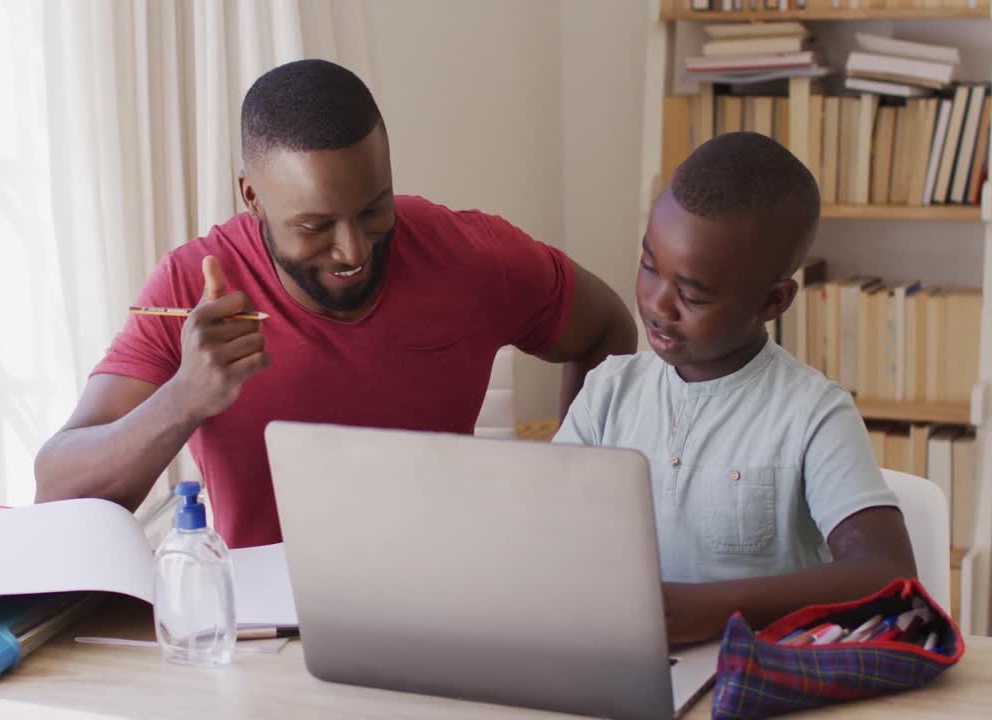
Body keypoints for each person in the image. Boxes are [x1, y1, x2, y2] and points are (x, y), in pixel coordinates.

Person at [34, 59, 637, 548]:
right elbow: (57, 490)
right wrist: (184, 398)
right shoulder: (191, 286)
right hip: (266, 635)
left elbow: (607, 328)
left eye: (374, 208)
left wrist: (570, 498)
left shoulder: (472, 255)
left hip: (446, 599)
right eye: (316, 224)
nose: (353, 249)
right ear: (252, 196)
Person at [553, 132, 917, 644]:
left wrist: (717, 610)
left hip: (756, 678)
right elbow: (546, 532)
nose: (658, 304)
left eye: (692, 295)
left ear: (773, 301)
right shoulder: (608, 393)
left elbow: (888, 573)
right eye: (649, 266)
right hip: (625, 664)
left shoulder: (812, 413)